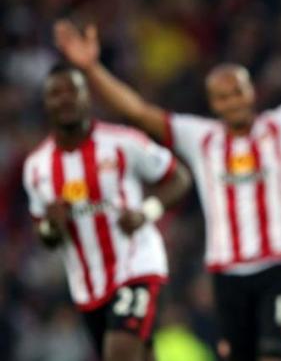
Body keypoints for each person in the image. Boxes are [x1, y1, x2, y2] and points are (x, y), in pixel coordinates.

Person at [53, 0, 281, 359]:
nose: (232, 101)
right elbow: (138, 112)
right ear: (213, 103)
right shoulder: (200, 138)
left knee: (273, 353)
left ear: (250, 92)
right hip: (226, 269)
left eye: (237, 92)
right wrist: (92, 69)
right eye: (223, 96)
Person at [23, 63, 192, 361]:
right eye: (55, 93)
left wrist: (146, 211)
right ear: (45, 103)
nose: (65, 99)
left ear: (87, 97)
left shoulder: (122, 142)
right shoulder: (37, 167)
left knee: (120, 354)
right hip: (87, 286)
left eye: (72, 90)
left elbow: (179, 177)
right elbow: (46, 236)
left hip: (136, 265)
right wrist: (53, 226)